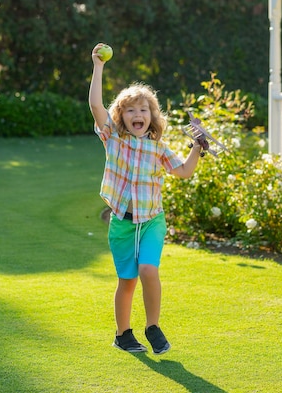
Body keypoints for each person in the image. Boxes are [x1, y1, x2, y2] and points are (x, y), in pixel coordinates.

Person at [89, 43, 202, 354]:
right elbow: (96, 106)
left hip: (151, 220)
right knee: (127, 281)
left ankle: (152, 326)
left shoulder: (159, 148)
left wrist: (197, 147)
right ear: (121, 116)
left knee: (148, 270)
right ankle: (123, 335)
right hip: (122, 223)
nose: (137, 114)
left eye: (143, 110)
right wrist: (98, 67)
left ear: (152, 117)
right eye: (130, 110)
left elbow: (183, 172)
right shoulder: (113, 137)